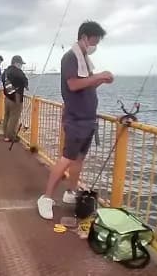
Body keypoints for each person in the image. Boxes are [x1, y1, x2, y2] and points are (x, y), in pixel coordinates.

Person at [37, 21, 114, 220]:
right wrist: (98, 75)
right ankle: (46, 198)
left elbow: (86, 85)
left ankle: (70, 192)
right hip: (76, 119)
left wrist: (100, 80)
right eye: (94, 41)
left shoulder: (85, 60)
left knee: (79, 159)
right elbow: (73, 85)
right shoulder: (70, 57)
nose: (95, 45)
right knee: (67, 158)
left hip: (88, 119)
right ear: (85, 37)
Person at [1, 55, 28, 142]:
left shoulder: (5, 71)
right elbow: (24, 80)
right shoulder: (18, 72)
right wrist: (26, 85)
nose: (21, 66)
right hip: (16, 97)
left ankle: (5, 135)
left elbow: (2, 80)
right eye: (21, 64)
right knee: (14, 117)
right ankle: (11, 136)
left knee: (7, 116)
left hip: (7, 97)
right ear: (16, 63)